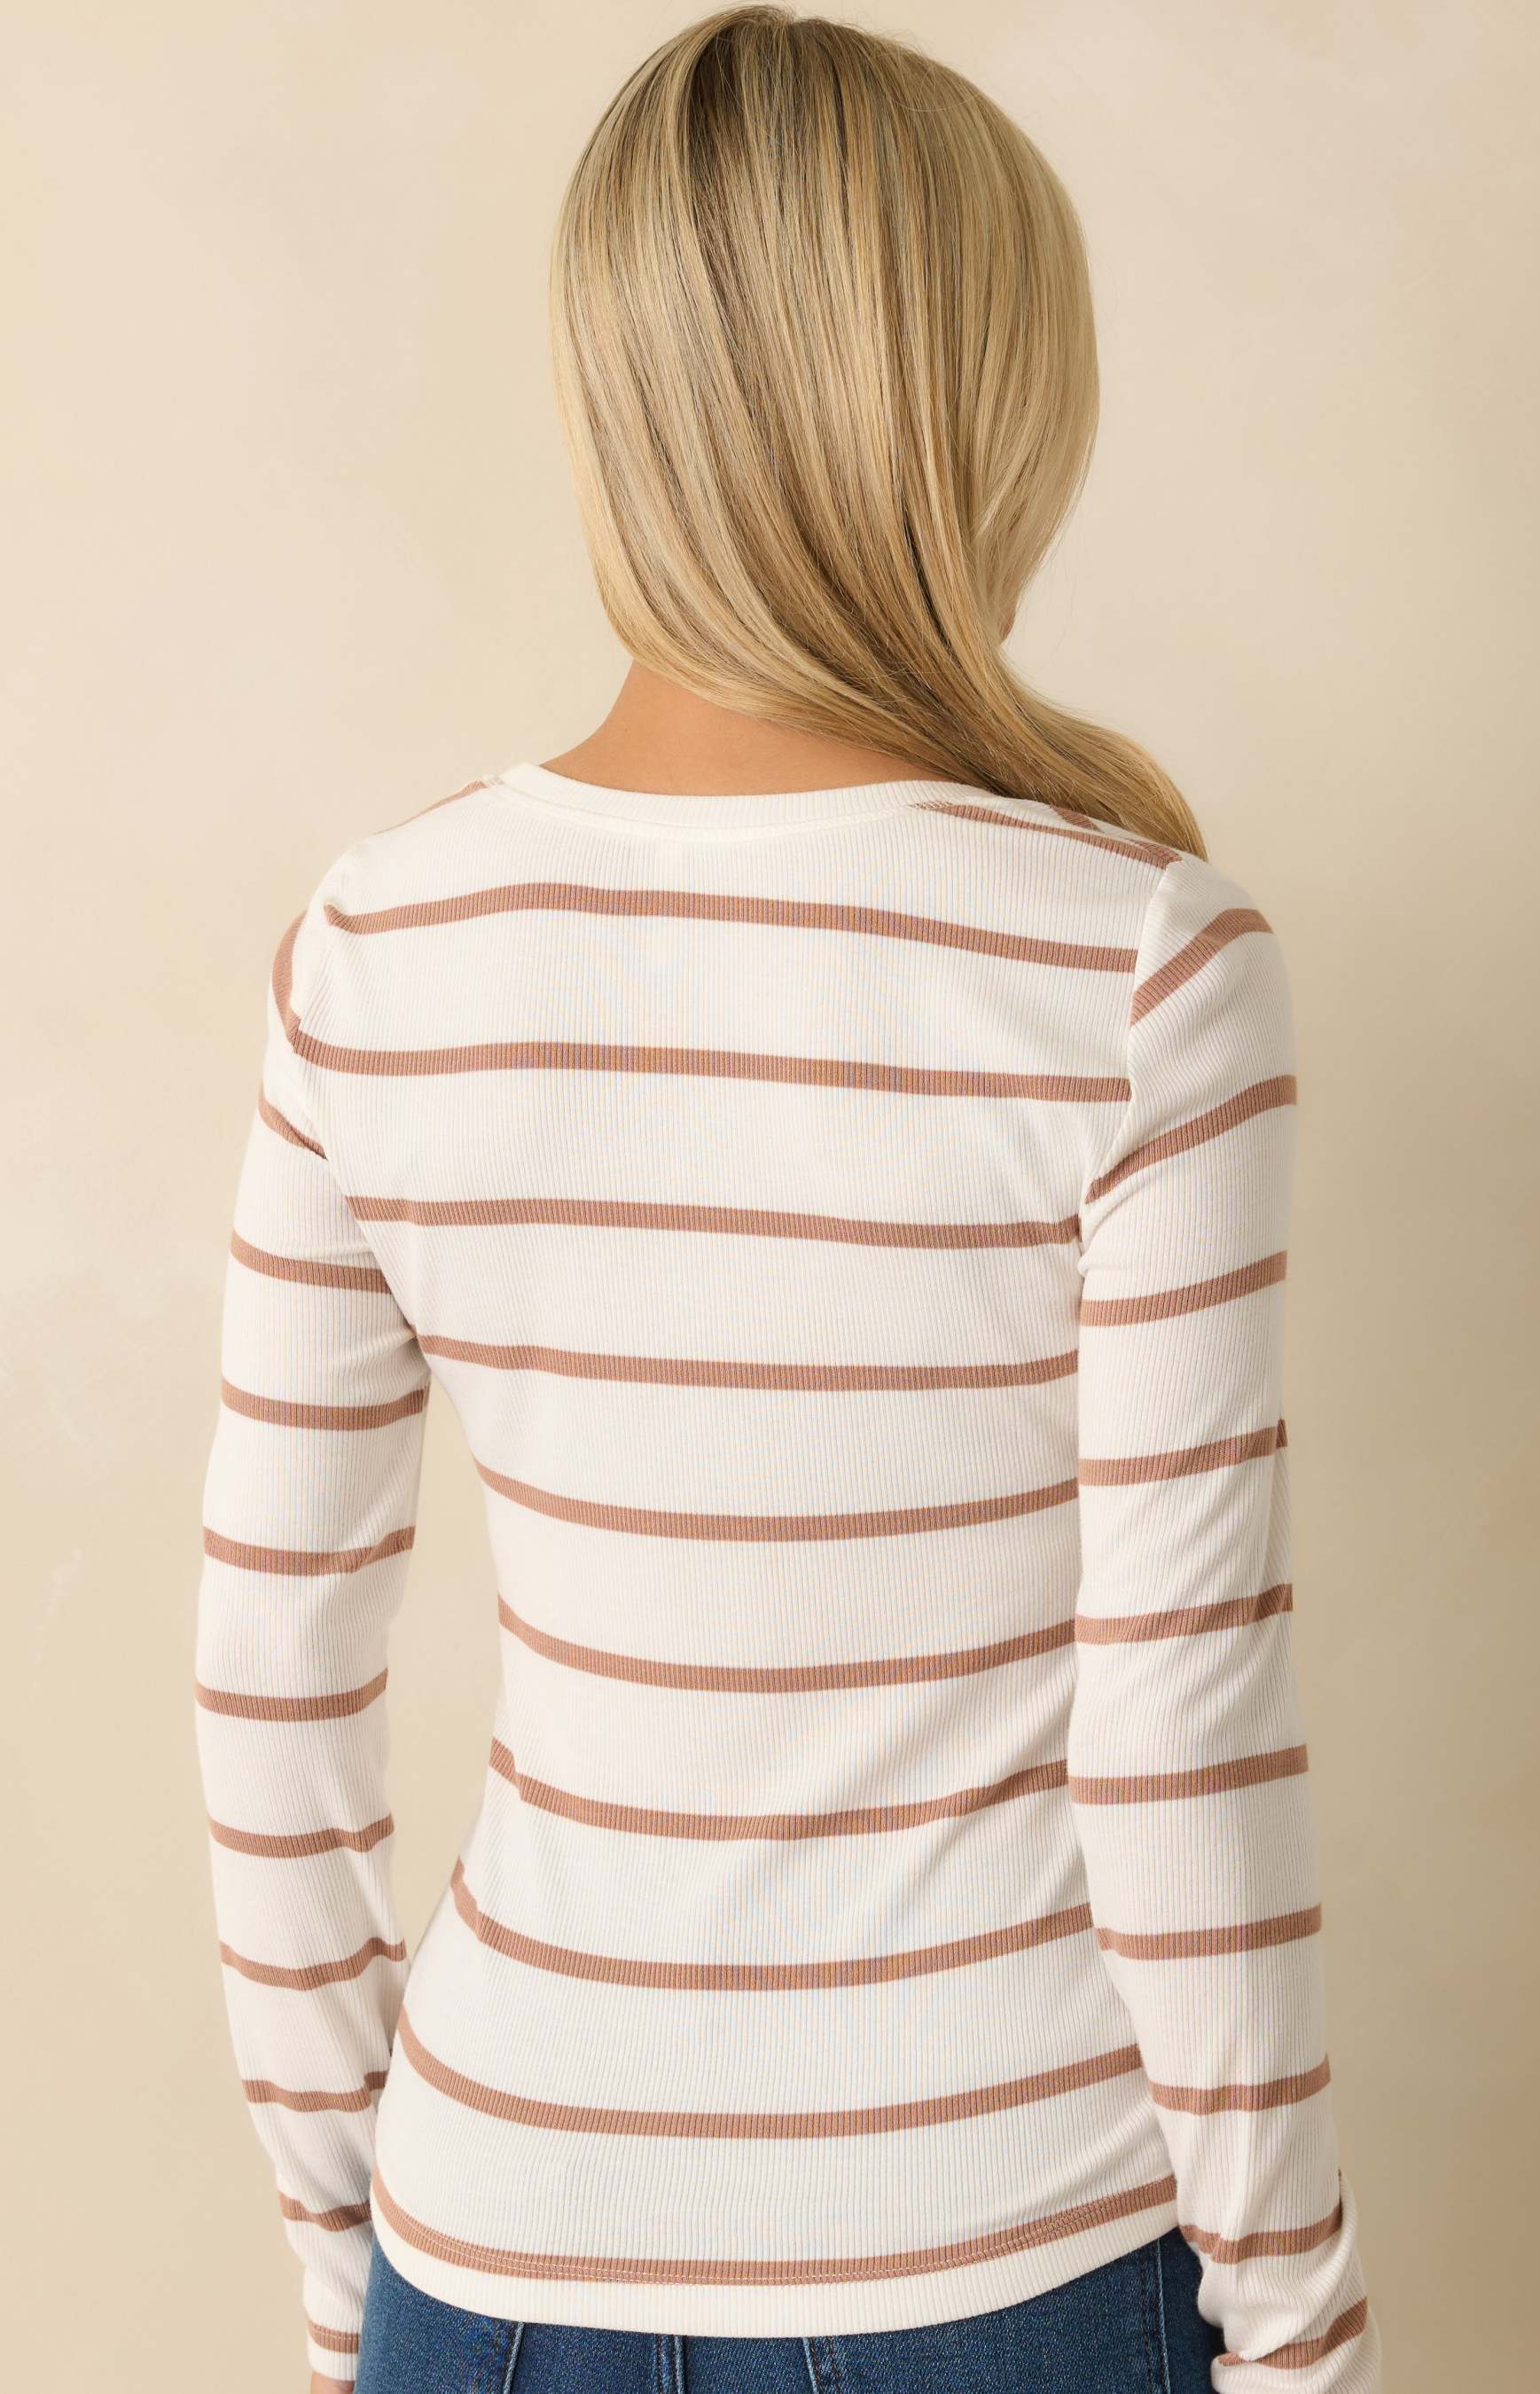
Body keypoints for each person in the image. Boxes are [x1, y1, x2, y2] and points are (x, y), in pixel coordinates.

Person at [192, 10, 1380, 2390]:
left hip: (490, 2240)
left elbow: (271, 1677)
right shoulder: (1137, 964)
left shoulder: (381, 942)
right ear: (978, 413)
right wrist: (1294, 2316)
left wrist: (352, 2257)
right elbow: (1176, 1731)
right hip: (1007, 2249)